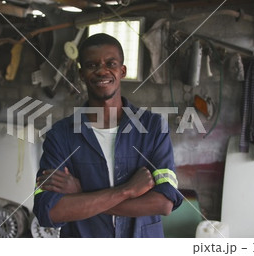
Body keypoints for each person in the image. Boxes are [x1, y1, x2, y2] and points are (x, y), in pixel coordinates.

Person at [32, 33, 183, 238]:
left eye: (110, 63)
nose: (102, 71)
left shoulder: (153, 128)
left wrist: (82, 196)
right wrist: (127, 191)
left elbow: (164, 202)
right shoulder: (60, 135)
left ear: (122, 71)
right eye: (92, 65)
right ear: (82, 74)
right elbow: (48, 211)